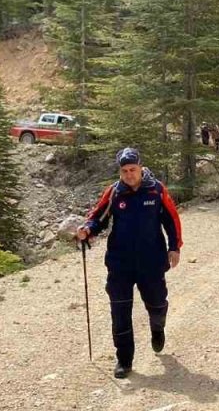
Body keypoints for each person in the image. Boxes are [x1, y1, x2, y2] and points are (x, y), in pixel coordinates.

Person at [76, 148, 183, 379]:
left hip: (151, 260)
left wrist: (175, 247)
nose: (129, 175)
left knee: (157, 303)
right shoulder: (114, 192)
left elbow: (171, 219)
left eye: (132, 170)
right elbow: (98, 217)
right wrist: (88, 230)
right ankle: (124, 360)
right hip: (120, 262)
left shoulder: (156, 190)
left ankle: (157, 328)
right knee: (120, 311)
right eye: (124, 171)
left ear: (140, 167)